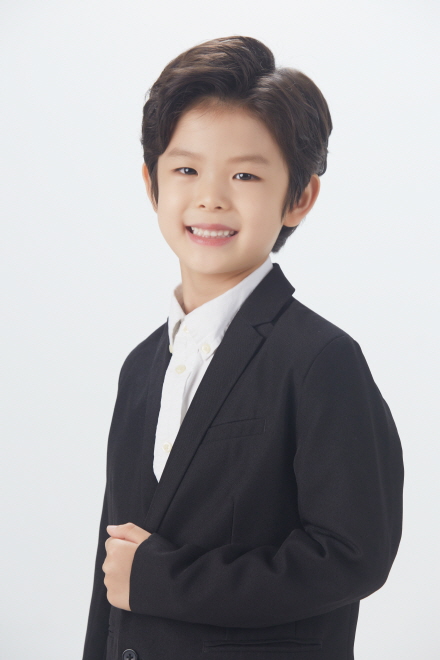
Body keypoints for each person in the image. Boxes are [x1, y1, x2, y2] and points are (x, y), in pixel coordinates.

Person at [82, 35, 404, 660]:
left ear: (300, 197)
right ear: (152, 184)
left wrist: (164, 581)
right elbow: (115, 563)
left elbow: (352, 555)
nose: (211, 197)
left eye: (245, 175)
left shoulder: (320, 359)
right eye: (186, 170)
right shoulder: (141, 367)